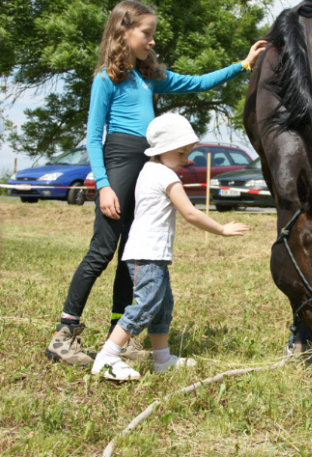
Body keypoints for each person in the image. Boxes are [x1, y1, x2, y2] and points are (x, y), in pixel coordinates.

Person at [45, 0, 266, 366]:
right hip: (117, 165)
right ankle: (63, 334)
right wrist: (102, 185)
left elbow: (196, 83)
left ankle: (122, 335)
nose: (151, 41)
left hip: (142, 166)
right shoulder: (106, 78)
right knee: (101, 251)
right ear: (123, 31)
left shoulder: (148, 77)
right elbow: (93, 135)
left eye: (152, 34)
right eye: (146, 33)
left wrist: (242, 65)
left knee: (128, 258)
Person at [91, 113, 249, 380]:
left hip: (150, 254)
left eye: (188, 152)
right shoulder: (165, 175)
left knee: (162, 306)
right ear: (162, 150)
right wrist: (222, 229)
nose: (186, 159)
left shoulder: (149, 170)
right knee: (146, 305)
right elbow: (190, 213)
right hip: (147, 253)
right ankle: (106, 357)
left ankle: (162, 359)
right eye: (181, 152)